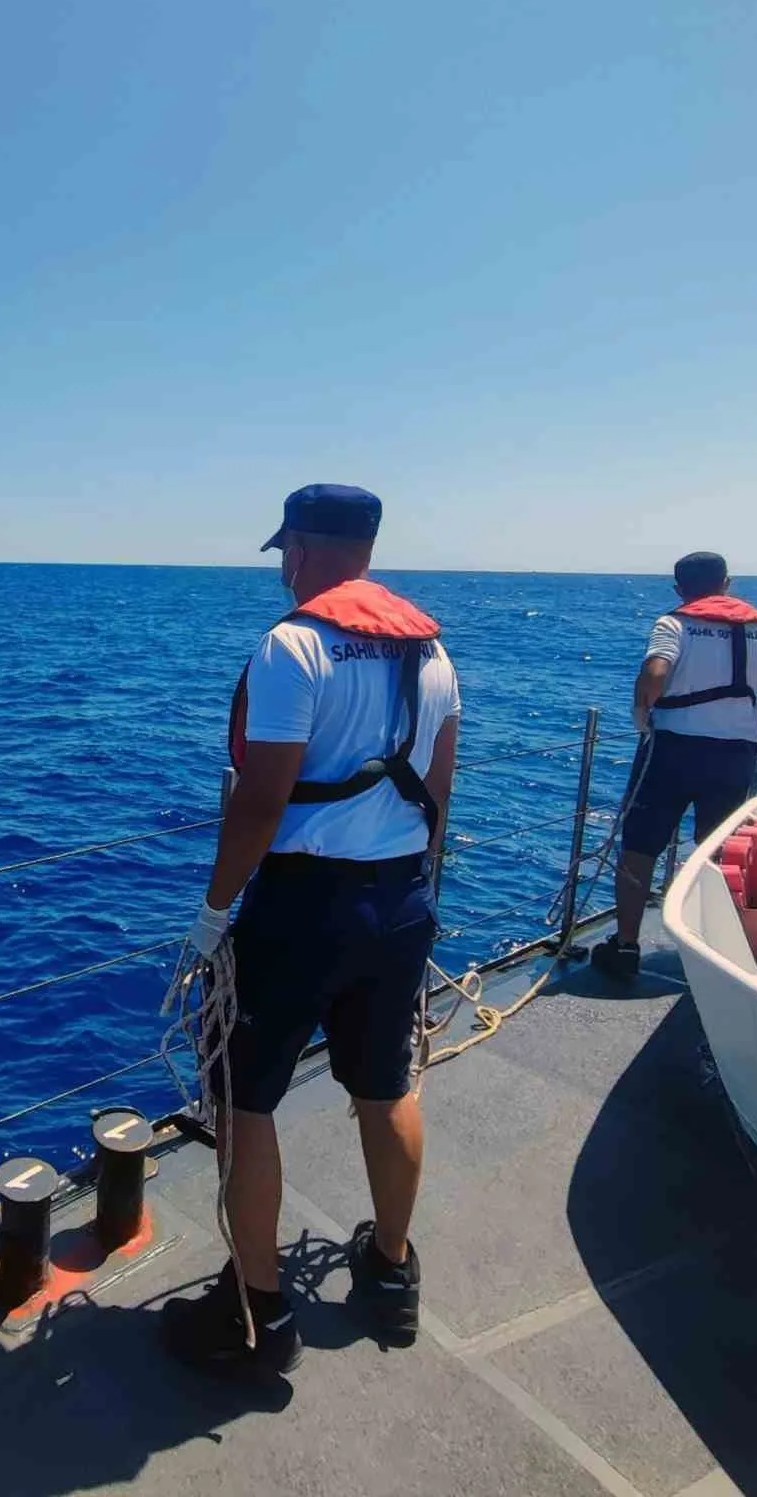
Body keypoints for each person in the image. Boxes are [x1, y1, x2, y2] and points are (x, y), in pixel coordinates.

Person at [161, 484, 460, 1376]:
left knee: (246, 1101)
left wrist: (213, 916)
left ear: (299, 547)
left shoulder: (293, 647)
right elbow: (439, 793)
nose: (283, 568)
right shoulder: (433, 651)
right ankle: (390, 1274)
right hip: (401, 899)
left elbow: (259, 802)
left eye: (284, 550)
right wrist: (411, 895)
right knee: (384, 1081)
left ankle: (258, 1317)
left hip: (302, 909)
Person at [591, 551, 757, 982]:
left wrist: (641, 712)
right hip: (733, 757)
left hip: (672, 752)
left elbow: (655, 672)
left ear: (679, 590)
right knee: (721, 851)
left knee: (638, 848)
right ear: (727, 583)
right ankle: (722, 947)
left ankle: (625, 946)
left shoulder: (674, 624)